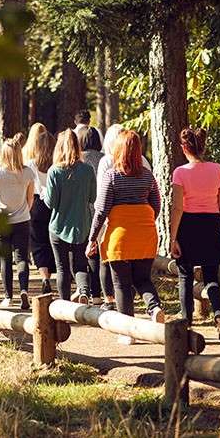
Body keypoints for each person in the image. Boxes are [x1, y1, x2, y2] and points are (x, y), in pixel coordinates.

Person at [87, 129, 164, 344]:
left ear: (118, 150)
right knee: (143, 279)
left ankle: (127, 331)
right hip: (145, 234)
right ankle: (154, 307)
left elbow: (101, 210)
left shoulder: (112, 176)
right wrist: (143, 220)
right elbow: (156, 205)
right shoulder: (148, 176)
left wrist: (93, 238)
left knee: (121, 284)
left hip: (119, 237)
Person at [170, 128, 220, 343]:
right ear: (202, 147)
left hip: (188, 224)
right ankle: (219, 314)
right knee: (211, 276)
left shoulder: (180, 173)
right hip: (211, 223)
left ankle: (186, 324)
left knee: (185, 275)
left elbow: (177, 208)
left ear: (184, 148)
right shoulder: (217, 169)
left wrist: (173, 236)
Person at [43, 130, 96, 303]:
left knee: (62, 268)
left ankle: (64, 304)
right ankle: (84, 291)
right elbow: (92, 198)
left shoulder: (54, 172)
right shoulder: (88, 170)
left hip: (59, 226)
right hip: (82, 224)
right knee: (81, 264)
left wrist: (45, 194)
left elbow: (50, 203)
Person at [0, 138, 35, 310]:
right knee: (22, 258)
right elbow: (30, 198)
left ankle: (8, 296)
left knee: (5, 259)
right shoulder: (27, 172)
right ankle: (24, 290)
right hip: (22, 220)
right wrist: (25, 210)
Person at [25, 127, 56, 293]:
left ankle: (45, 277)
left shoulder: (30, 164)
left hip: (36, 204)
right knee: (53, 241)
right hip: (55, 204)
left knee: (38, 243)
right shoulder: (57, 164)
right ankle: (56, 273)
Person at [77, 127, 106, 304]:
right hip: (100, 209)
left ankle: (84, 289)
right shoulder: (103, 159)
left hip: (82, 210)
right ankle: (98, 292)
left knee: (83, 253)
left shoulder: (78, 159)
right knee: (97, 253)